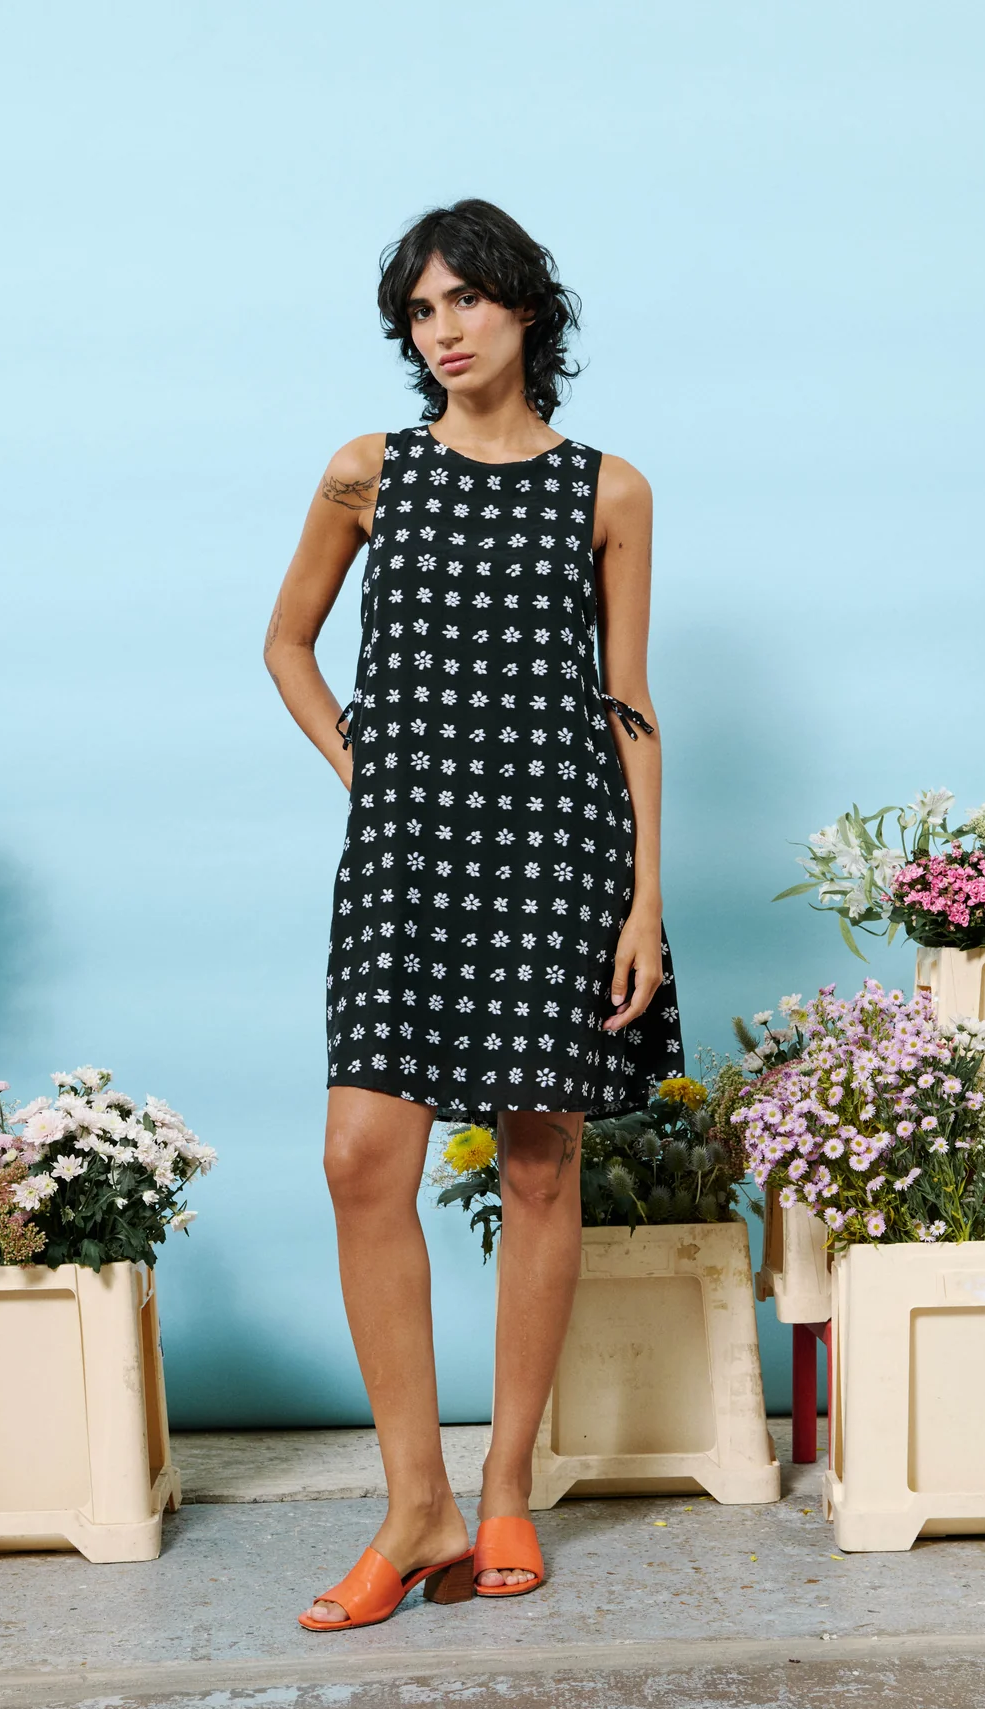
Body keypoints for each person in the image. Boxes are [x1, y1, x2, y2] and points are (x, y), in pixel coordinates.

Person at [264, 199, 683, 1631]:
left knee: (540, 1159)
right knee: (359, 1158)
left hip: (559, 851)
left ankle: (503, 1489)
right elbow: (287, 640)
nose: (442, 331)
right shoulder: (368, 473)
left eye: (466, 301)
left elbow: (628, 702)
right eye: (419, 312)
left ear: (524, 309)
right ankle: (414, 1504)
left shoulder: (608, 491)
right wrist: (364, 766)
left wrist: (644, 897)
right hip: (408, 854)